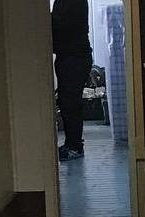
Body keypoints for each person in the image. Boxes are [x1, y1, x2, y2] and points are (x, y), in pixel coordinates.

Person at [52, 0, 93, 160]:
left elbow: (61, 23)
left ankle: (75, 146)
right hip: (70, 56)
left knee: (70, 102)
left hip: (75, 57)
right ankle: (72, 144)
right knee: (67, 102)